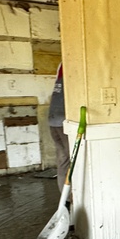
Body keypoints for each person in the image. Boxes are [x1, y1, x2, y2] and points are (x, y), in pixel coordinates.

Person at [47, 63, 69, 192]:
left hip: (53, 119)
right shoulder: (75, 67)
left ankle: (64, 199)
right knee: (75, 161)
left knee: (63, 160)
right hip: (64, 122)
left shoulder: (61, 66)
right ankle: (74, 198)